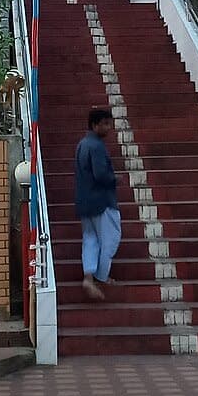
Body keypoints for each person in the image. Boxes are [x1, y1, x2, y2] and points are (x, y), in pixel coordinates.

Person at [74, 107, 120, 301]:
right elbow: (101, 175)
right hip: (102, 201)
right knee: (111, 238)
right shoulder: (97, 146)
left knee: (90, 239)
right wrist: (116, 180)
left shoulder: (82, 144)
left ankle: (88, 277)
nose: (109, 128)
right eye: (105, 124)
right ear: (95, 125)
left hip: (85, 201)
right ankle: (101, 276)